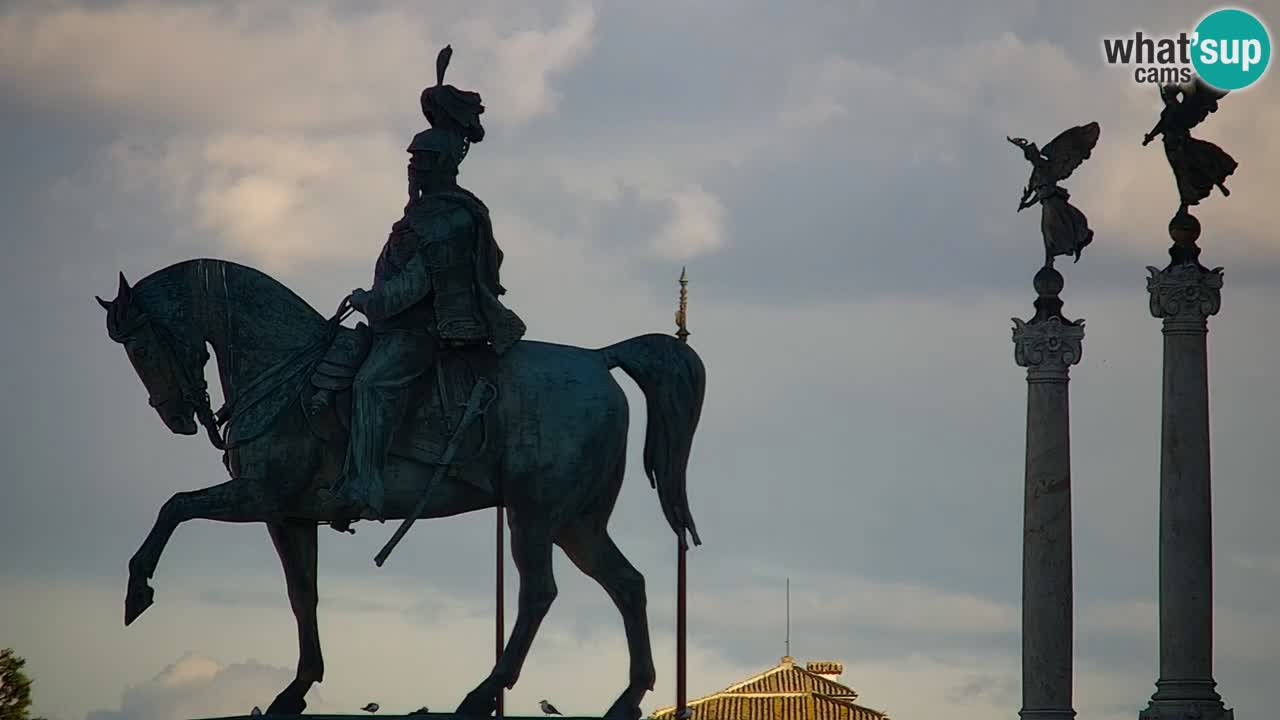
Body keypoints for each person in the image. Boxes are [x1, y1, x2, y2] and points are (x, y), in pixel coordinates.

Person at [333, 46, 525, 521]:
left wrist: (370, 301)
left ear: (439, 165)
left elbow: (414, 286)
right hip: (392, 329)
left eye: (420, 162)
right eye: (412, 162)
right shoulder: (424, 213)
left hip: (424, 332)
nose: (413, 169)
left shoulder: (447, 218)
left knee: (371, 385)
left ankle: (365, 485)